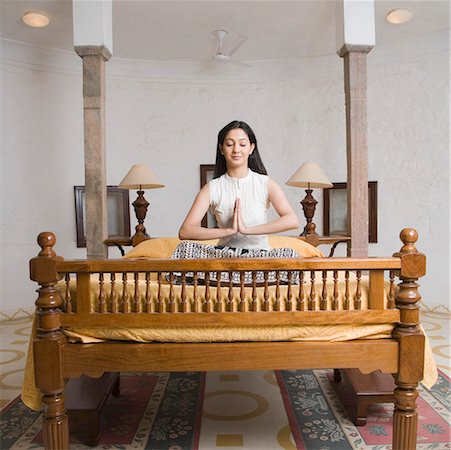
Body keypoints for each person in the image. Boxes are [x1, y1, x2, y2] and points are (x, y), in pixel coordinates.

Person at [178, 120, 300, 251]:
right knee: (185, 248)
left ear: (251, 148)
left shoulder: (266, 183)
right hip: (225, 258)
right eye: (230, 144)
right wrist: (228, 231)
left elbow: (292, 220)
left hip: (259, 257)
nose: (236, 150)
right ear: (221, 149)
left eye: (242, 144)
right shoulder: (212, 188)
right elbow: (185, 231)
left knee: (290, 253)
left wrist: (247, 230)